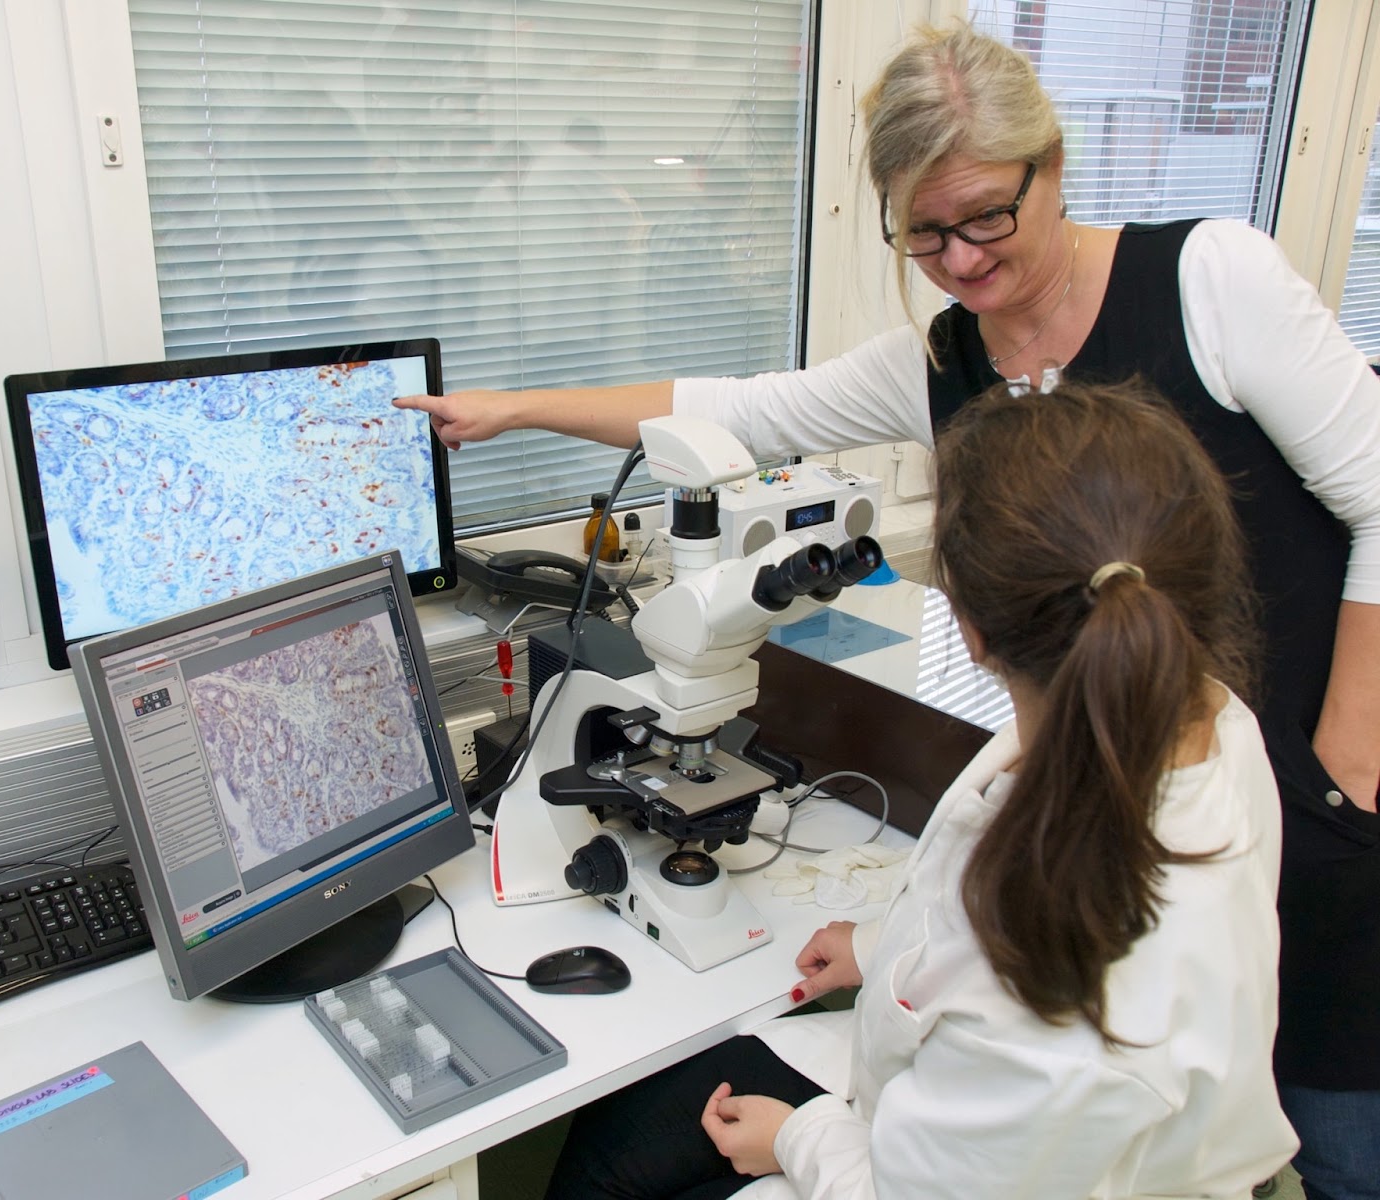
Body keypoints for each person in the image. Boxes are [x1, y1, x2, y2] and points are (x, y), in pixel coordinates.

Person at [395, 23, 1380, 1198]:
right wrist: (517, 410)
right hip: (1136, 773)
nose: (960, 259)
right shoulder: (943, 364)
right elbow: (750, 408)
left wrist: (1347, 748)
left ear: (1050, 169)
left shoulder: (1211, 279)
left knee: (1326, 1126)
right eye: (923, 231)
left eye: (986, 219)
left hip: (1287, 765)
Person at [538, 378, 1296, 1198]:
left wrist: (800, 1137)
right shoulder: (1207, 721)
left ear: (966, 627)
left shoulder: (1066, 1000)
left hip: (924, 1169)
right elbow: (976, 897)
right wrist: (880, 951)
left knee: (608, 1179)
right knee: (621, 1138)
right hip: (964, 1122)